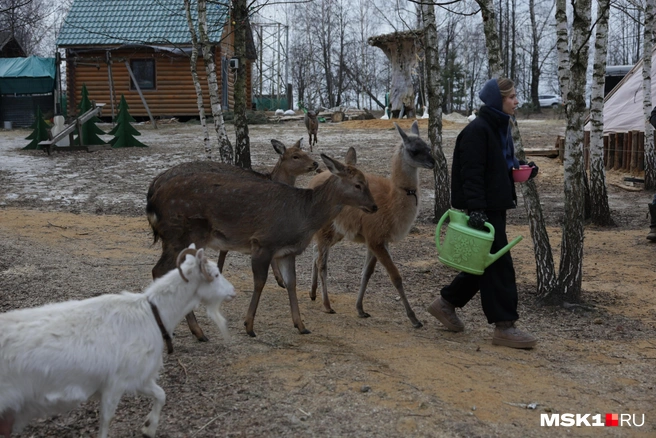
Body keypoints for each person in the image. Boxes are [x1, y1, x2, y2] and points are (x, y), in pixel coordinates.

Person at [427, 77, 539, 349]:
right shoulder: (478, 131)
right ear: (497, 101)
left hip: (493, 205)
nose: (516, 101)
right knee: (499, 266)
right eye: (511, 97)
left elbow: (499, 164)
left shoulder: (499, 127)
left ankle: (445, 304)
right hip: (483, 210)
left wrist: (523, 168)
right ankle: (505, 327)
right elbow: (471, 174)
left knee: (483, 263)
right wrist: (476, 209)